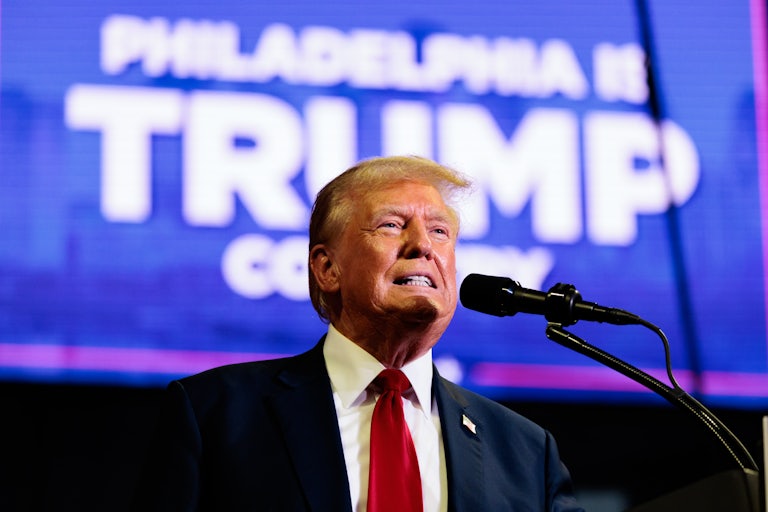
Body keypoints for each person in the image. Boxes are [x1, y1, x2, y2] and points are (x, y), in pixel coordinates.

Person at [131, 155, 584, 511]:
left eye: (440, 231)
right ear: (327, 268)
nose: (423, 245)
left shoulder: (525, 451)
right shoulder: (216, 415)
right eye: (392, 225)